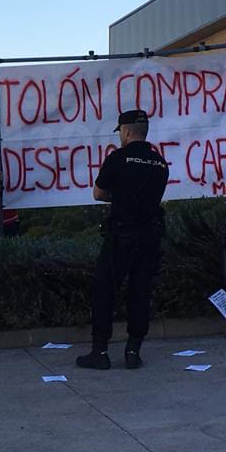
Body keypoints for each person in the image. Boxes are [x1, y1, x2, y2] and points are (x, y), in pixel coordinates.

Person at [76, 109, 169, 371]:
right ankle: (132, 350)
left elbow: (98, 193)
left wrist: (118, 198)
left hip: (122, 234)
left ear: (126, 132)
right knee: (140, 292)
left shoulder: (118, 159)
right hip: (150, 236)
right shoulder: (160, 163)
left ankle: (100, 351)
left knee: (104, 291)